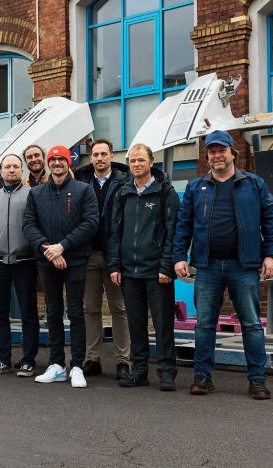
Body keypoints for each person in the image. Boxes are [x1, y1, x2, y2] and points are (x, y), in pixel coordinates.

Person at [173, 130, 273, 400]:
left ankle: (257, 379)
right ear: (207, 156)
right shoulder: (196, 187)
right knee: (204, 325)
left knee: (252, 324)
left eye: (221, 150)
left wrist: (272, 255)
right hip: (207, 267)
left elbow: (271, 220)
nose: (216, 155)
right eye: (211, 151)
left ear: (233, 153)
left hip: (243, 266)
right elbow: (183, 225)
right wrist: (178, 256)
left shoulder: (253, 184)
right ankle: (202, 377)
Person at [22, 144, 99, 388]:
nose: (57, 164)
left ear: (69, 163)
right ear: (48, 163)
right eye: (53, 160)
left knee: (76, 312)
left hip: (75, 259)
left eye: (61, 160)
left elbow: (90, 223)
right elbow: (28, 226)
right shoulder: (36, 194)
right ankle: (57, 365)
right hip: (47, 261)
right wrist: (48, 249)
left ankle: (77, 365)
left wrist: (63, 246)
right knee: (53, 312)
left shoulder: (84, 190)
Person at [108, 143, 180, 390]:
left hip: (157, 271)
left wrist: (166, 266)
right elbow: (115, 232)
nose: (136, 165)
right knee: (136, 324)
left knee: (163, 325)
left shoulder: (165, 193)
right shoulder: (123, 193)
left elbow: (174, 232)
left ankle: (167, 371)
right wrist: (115, 265)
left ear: (151, 163)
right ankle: (139, 371)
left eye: (141, 160)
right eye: (132, 161)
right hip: (129, 271)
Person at [73, 137, 130, 381]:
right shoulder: (81, 181)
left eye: (103, 154)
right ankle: (92, 359)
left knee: (119, 309)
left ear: (112, 156)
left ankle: (123, 361)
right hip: (87, 255)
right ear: (91, 157)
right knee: (90, 309)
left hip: (114, 256)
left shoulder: (123, 182)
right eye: (95, 154)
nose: (99, 158)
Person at [0, 153, 39, 377]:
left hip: (25, 262)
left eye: (15, 166)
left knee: (28, 313)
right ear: (1, 172)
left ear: (21, 171)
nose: (11, 170)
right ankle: (2, 359)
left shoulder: (32, 195)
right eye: (7, 167)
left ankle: (28, 360)